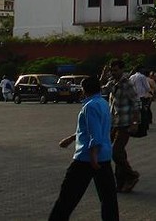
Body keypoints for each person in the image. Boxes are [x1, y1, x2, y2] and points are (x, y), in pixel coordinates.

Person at [48, 75, 119, 221]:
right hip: (104, 156)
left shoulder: (90, 106)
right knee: (108, 198)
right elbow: (93, 129)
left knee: (67, 198)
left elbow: (95, 134)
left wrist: (93, 157)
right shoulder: (103, 103)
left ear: (83, 89)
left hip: (86, 158)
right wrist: (71, 138)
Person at [102, 60, 141, 193]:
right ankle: (120, 182)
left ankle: (131, 175)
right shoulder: (112, 82)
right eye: (112, 70)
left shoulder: (127, 84)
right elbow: (101, 90)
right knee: (118, 152)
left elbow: (136, 103)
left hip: (125, 123)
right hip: (115, 122)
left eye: (116, 70)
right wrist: (102, 77)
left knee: (116, 152)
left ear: (122, 70)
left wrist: (135, 122)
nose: (114, 73)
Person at [128, 68, 152, 134]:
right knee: (143, 112)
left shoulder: (131, 77)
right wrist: (149, 92)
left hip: (133, 97)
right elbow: (146, 86)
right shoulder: (142, 77)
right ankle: (144, 126)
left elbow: (129, 86)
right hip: (141, 97)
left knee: (134, 112)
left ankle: (135, 125)